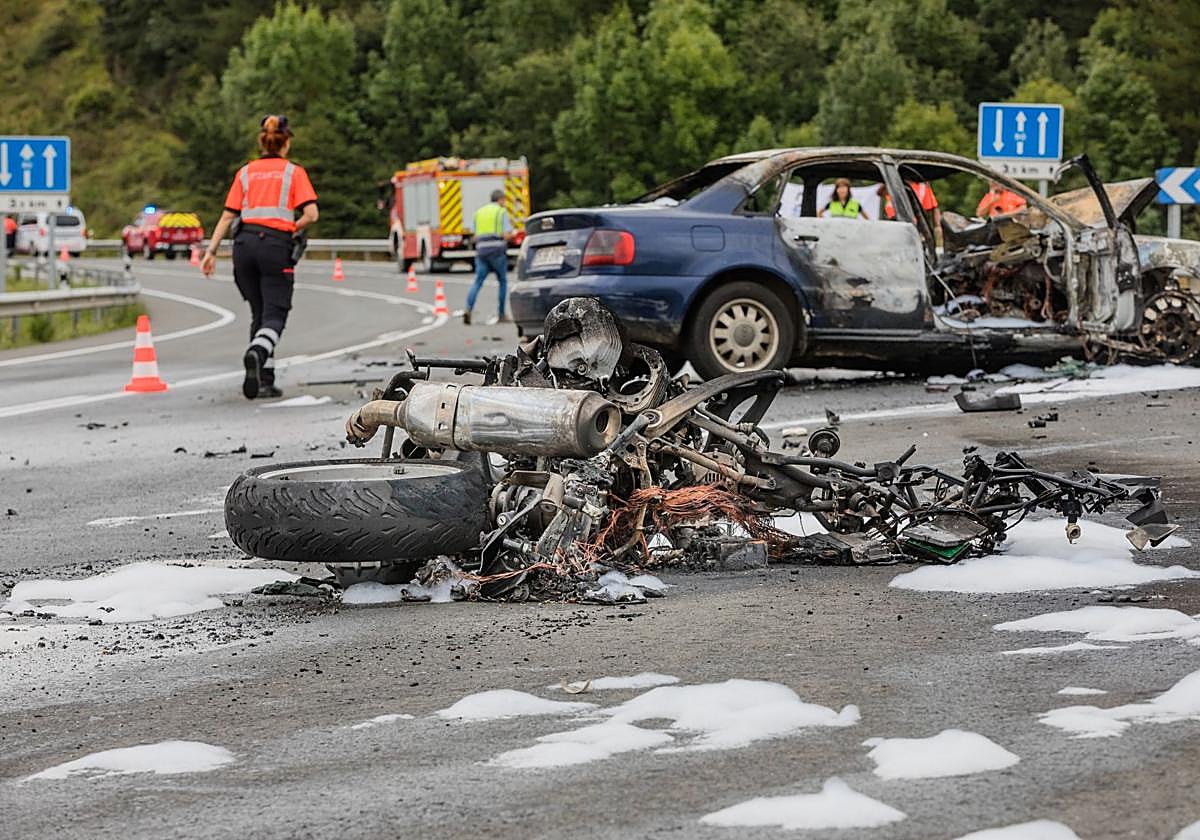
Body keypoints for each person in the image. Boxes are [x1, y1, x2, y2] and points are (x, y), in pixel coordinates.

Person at [201, 115, 318, 399]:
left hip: (243, 247)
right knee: (275, 314)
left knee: (260, 313)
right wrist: (293, 227)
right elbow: (311, 214)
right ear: (286, 142)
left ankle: (265, 379)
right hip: (275, 247)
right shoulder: (293, 172)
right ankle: (257, 353)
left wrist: (211, 252)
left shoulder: (245, 172)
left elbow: (227, 216)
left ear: (261, 141)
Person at [464, 190, 512, 326]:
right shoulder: (501, 212)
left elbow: (474, 236)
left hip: (481, 252)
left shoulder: (479, 213)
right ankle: (501, 314)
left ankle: (468, 309)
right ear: (500, 199)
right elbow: (507, 234)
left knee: (478, 281)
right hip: (497, 252)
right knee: (502, 282)